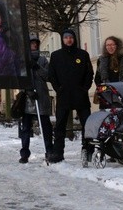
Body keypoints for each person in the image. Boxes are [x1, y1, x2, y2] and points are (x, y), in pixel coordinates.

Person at [47, 28, 93, 163]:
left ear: (74, 39)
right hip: (63, 95)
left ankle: (88, 150)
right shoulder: (56, 56)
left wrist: (85, 89)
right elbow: (52, 75)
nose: (68, 40)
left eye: (71, 37)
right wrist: (58, 89)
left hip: (81, 95)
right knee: (60, 125)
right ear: (63, 39)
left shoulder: (83, 55)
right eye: (66, 37)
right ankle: (58, 153)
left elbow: (89, 73)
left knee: (87, 124)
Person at [18, 37, 53, 164]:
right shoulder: (22, 60)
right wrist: (28, 91)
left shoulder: (43, 60)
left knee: (46, 127)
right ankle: (24, 153)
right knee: (26, 128)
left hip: (41, 97)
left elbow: (47, 76)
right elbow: (20, 77)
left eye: (35, 44)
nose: (33, 45)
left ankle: (49, 150)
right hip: (28, 98)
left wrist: (37, 66)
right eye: (31, 43)